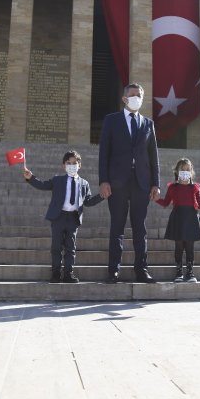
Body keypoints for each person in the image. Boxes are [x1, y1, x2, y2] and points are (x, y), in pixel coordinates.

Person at [98, 83, 160, 284]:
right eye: (132, 95)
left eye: (139, 95)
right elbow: (104, 153)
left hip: (141, 182)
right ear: (124, 98)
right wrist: (103, 180)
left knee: (139, 228)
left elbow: (153, 156)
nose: (136, 98)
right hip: (117, 182)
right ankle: (113, 270)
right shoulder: (111, 121)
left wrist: (155, 183)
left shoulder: (148, 123)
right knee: (117, 226)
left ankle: (142, 269)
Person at [23, 150, 103, 283]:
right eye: (69, 163)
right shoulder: (57, 180)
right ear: (64, 166)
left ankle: (68, 273)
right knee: (56, 247)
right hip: (58, 217)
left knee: (70, 247)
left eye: (75, 163)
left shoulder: (84, 183)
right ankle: (55, 273)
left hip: (73, 218)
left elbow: (88, 201)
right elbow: (43, 185)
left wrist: (101, 196)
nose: (72, 165)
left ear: (80, 165)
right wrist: (30, 178)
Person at [155, 158, 200, 283]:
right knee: (179, 246)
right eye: (182, 169)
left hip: (191, 218)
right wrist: (156, 199)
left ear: (191, 172)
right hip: (178, 217)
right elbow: (166, 202)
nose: (185, 172)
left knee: (190, 246)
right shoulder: (173, 187)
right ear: (177, 171)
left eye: (187, 169)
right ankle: (179, 271)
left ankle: (190, 272)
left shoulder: (195, 187)